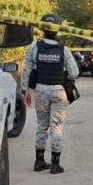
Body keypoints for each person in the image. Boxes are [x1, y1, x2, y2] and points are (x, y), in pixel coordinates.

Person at [22, 13, 79, 174]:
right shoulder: (64, 50)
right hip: (58, 91)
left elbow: (26, 70)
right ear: (58, 29)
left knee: (42, 125)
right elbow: (74, 73)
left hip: (40, 90)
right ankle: (55, 164)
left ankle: (39, 161)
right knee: (57, 126)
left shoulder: (35, 47)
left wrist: (25, 90)